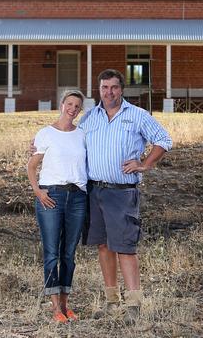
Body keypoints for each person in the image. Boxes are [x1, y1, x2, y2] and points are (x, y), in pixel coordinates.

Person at [80, 69, 172, 323]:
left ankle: (134, 304)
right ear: (98, 90)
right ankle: (112, 301)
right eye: (104, 88)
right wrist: (40, 145)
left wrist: (145, 163)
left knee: (125, 248)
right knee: (103, 246)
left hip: (121, 193)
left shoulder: (137, 116)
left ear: (122, 89)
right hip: (94, 191)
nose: (109, 92)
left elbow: (164, 139)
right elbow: (71, 142)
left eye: (114, 87)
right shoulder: (90, 118)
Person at [26, 90, 88, 324]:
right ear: (62, 104)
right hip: (51, 196)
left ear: (80, 110)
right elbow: (32, 166)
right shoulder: (46, 133)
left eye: (77, 106)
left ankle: (65, 304)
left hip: (78, 197)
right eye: (69, 103)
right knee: (52, 253)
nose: (73, 108)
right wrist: (38, 191)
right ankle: (54, 308)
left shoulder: (82, 134)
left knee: (69, 254)